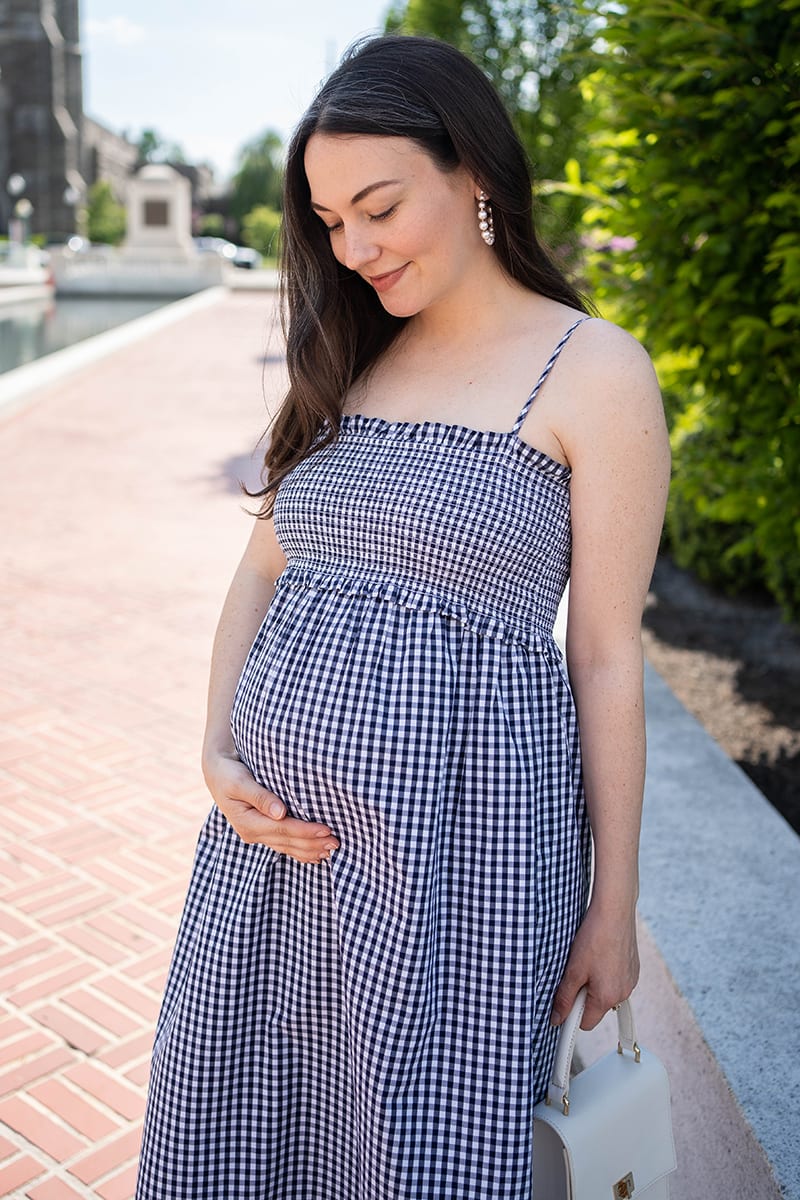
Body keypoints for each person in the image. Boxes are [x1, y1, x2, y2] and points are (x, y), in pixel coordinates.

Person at [136, 34, 670, 1200]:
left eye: (377, 207)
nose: (355, 248)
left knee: (412, 1158)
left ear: (472, 172)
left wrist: (614, 901)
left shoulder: (593, 370)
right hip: (268, 866)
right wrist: (215, 752)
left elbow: (602, 655)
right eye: (330, 222)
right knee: (237, 1134)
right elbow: (260, 573)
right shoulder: (348, 355)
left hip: (459, 877)